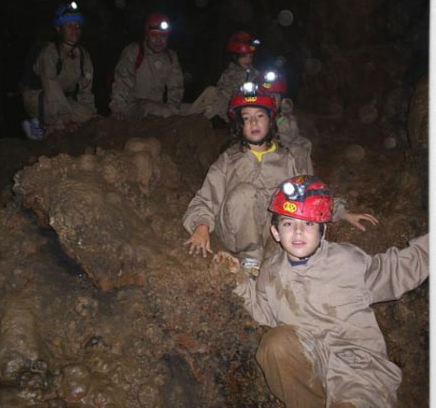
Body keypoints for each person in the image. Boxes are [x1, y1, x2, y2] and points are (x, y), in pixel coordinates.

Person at [233, 174, 428, 408]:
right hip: (311, 363)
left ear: (322, 230)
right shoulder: (271, 270)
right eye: (288, 223)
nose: (297, 232)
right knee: (276, 344)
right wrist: (238, 280)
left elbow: (397, 269)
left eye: (308, 223)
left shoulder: (347, 261)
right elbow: (262, 312)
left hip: (358, 368)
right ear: (275, 232)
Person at [183, 85, 377, 267]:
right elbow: (205, 198)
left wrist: (342, 212)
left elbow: (313, 194)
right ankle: (250, 262)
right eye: (246, 118)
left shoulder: (290, 158)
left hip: (276, 234)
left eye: (260, 116)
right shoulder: (227, 161)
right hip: (235, 235)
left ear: (270, 119)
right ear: (240, 124)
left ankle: (277, 261)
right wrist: (201, 226)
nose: (254, 123)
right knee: (245, 193)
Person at [21, 1, 97, 140]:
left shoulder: (83, 56)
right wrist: (66, 118)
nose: (75, 29)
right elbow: (51, 86)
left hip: (62, 99)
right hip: (39, 97)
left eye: (77, 25)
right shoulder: (49, 52)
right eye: (69, 25)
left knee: (88, 116)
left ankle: (53, 124)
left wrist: (90, 114)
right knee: (63, 122)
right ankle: (42, 130)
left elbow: (86, 91)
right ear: (58, 28)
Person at [110, 12, 184, 120]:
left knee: (201, 106)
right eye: (154, 35)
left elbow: (176, 88)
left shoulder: (171, 56)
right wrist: (117, 109)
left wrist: (173, 107)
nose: (158, 40)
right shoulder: (135, 51)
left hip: (158, 107)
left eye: (163, 35)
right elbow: (122, 81)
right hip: (134, 106)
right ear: (147, 35)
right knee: (157, 109)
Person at [185, 31, 260, 123]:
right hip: (226, 106)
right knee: (211, 92)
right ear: (235, 57)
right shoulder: (229, 72)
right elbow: (220, 88)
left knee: (212, 94)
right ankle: (188, 119)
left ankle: (192, 121)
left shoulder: (256, 74)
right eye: (244, 56)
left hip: (244, 108)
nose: (248, 60)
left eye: (250, 57)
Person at [256, 69, 313, 172]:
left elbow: (293, 135)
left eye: (276, 96)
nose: (273, 99)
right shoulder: (257, 116)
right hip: (269, 151)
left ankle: (305, 176)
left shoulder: (283, 116)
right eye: (268, 96)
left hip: (285, 144)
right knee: (297, 150)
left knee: (305, 143)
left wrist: (286, 118)